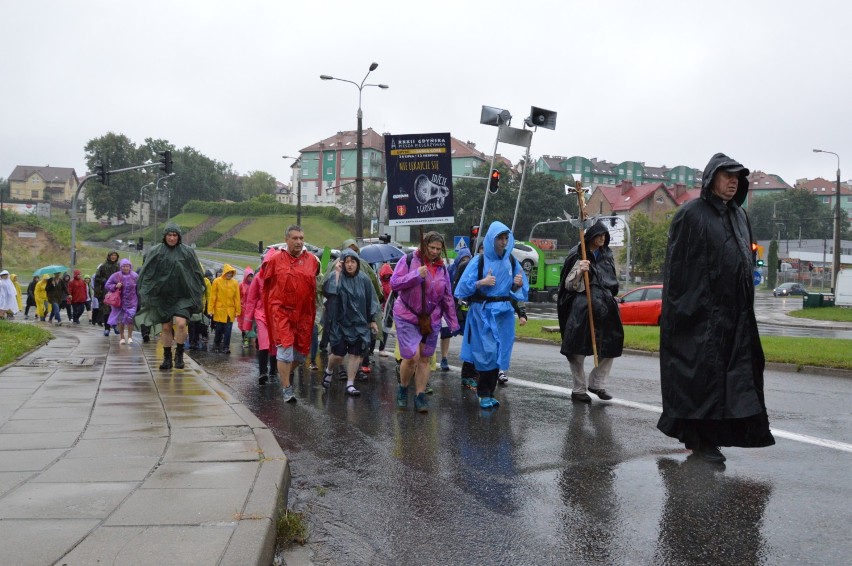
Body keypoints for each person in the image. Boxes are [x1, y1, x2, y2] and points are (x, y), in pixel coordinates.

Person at [657, 153, 775, 464]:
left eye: (738, 177)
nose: (733, 182)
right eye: (727, 176)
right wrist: (682, 313)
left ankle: (718, 436)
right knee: (699, 381)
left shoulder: (739, 216)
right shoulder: (691, 214)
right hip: (699, 317)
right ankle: (699, 440)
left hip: (734, 318)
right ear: (712, 179)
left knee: (732, 381)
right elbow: (678, 269)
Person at [454, 222, 528, 409]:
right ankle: (483, 392)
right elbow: (461, 289)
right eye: (500, 238)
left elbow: (517, 290)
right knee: (487, 352)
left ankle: (490, 391)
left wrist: (517, 284)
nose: (503, 242)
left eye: (506, 238)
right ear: (491, 239)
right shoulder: (478, 261)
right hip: (483, 313)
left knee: (499, 354)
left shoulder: (511, 261)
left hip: (503, 314)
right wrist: (481, 282)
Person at [391, 231, 460, 412]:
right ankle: (403, 387)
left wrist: (453, 322)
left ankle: (420, 395)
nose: (435, 252)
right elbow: (395, 283)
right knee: (411, 357)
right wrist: (415, 275)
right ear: (424, 245)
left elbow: (447, 297)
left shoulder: (442, 268)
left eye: (439, 249)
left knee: (425, 358)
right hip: (407, 315)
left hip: (430, 318)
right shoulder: (408, 260)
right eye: (432, 248)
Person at [556, 220, 624, 403]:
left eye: (604, 235)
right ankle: (579, 389)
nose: (602, 238)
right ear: (591, 236)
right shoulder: (577, 254)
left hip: (606, 307)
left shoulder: (607, 256)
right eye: (599, 235)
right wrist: (579, 271)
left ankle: (597, 383)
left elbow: (611, 283)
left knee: (610, 346)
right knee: (576, 350)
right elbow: (568, 285)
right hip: (582, 308)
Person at [135, 223, 206, 370]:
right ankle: (167, 357)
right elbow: (147, 272)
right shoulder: (156, 251)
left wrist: (198, 289)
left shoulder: (187, 252)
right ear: (165, 236)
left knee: (180, 324)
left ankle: (179, 354)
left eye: (175, 235)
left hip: (183, 295)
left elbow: (196, 272)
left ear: (179, 237)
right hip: (163, 295)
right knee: (166, 327)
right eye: (169, 235)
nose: (172, 238)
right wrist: (147, 291)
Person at [261, 225, 319, 403]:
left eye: (301, 238)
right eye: (295, 238)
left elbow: (315, 284)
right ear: (286, 240)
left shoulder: (312, 261)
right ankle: (287, 388)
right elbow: (266, 285)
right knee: (285, 351)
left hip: (303, 314)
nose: (299, 242)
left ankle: (283, 373)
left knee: (301, 355)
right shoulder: (275, 260)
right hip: (281, 312)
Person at [321, 249, 379, 396]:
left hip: (358, 325)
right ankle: (329, 370)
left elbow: (371, 299)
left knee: (355, 354)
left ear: (357, 263)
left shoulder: (364, 279)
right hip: (340, 324)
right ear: (342, 263)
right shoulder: (337, 277)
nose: (350, 265)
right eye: (347, 262)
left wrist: (372, 320)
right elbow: (329, 292)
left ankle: (350, 384)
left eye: (353, 261)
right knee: (338, 355)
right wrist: (337, 273)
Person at [241, 260, 278, 385]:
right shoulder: (258, 278)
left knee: (275, 344)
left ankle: (273, 370)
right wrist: (247, 322)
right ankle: (263, 372)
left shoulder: (280, 276)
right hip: (261, 314)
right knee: (264, 342)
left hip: (277, 315)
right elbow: (251, 300)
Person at [439, 246, 472, 371]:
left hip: (464, 307)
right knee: (445, 333)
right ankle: (444, 358)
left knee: (469, 334)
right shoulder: (450, 270)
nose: (465, 261)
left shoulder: (471, 270)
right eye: (463, 259)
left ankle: (469, 364)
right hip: (449, 306)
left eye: (467, 259)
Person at [208, 263, 241, 354]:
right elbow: (213, 296)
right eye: (228, 273)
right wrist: (210, 309)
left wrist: (238, 311)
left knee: (228, 330)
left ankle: (226, 347)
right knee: (218, 329)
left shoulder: (234, 283)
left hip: (230, 311)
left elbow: (236, 298)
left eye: (231, 273)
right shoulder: (217, 281)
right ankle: (217, 344)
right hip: (219, 311)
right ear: (224, 273)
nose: (230, 275)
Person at [105, 259, 139, 344]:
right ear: (121, 267)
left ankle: (130, 337)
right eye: (123, 266)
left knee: (131, 318)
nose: (125, 268)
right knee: (120, 320)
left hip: (132, 301)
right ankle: (122, 337)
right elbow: (107, 285)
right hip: (119, 302)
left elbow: (140, 286)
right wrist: (115, 286)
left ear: (130, 266)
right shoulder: (116, 275)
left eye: (127, 266)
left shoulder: (135, 276)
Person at [94, 250, 121, 335]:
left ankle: (115, 326)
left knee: (116, 308)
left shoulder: (119, 266)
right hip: (106, 290)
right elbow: (97, 277)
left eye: (115, 255)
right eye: (112, 255)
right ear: (109, 256)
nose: (113, 257)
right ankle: (107, 328)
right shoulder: (103, 266)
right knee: (106, 309)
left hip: (117, 290)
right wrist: (103, 281)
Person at [238, 266, 254, 347]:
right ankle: (245, 341)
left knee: (251, 325)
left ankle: (250, 339)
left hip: (251, 309)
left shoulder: (254, 284)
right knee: (244, 326)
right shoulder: (241, 285)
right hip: (243, 309)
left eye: (252, 276)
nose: (250, 278)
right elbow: (238, 296)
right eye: (249, 276)